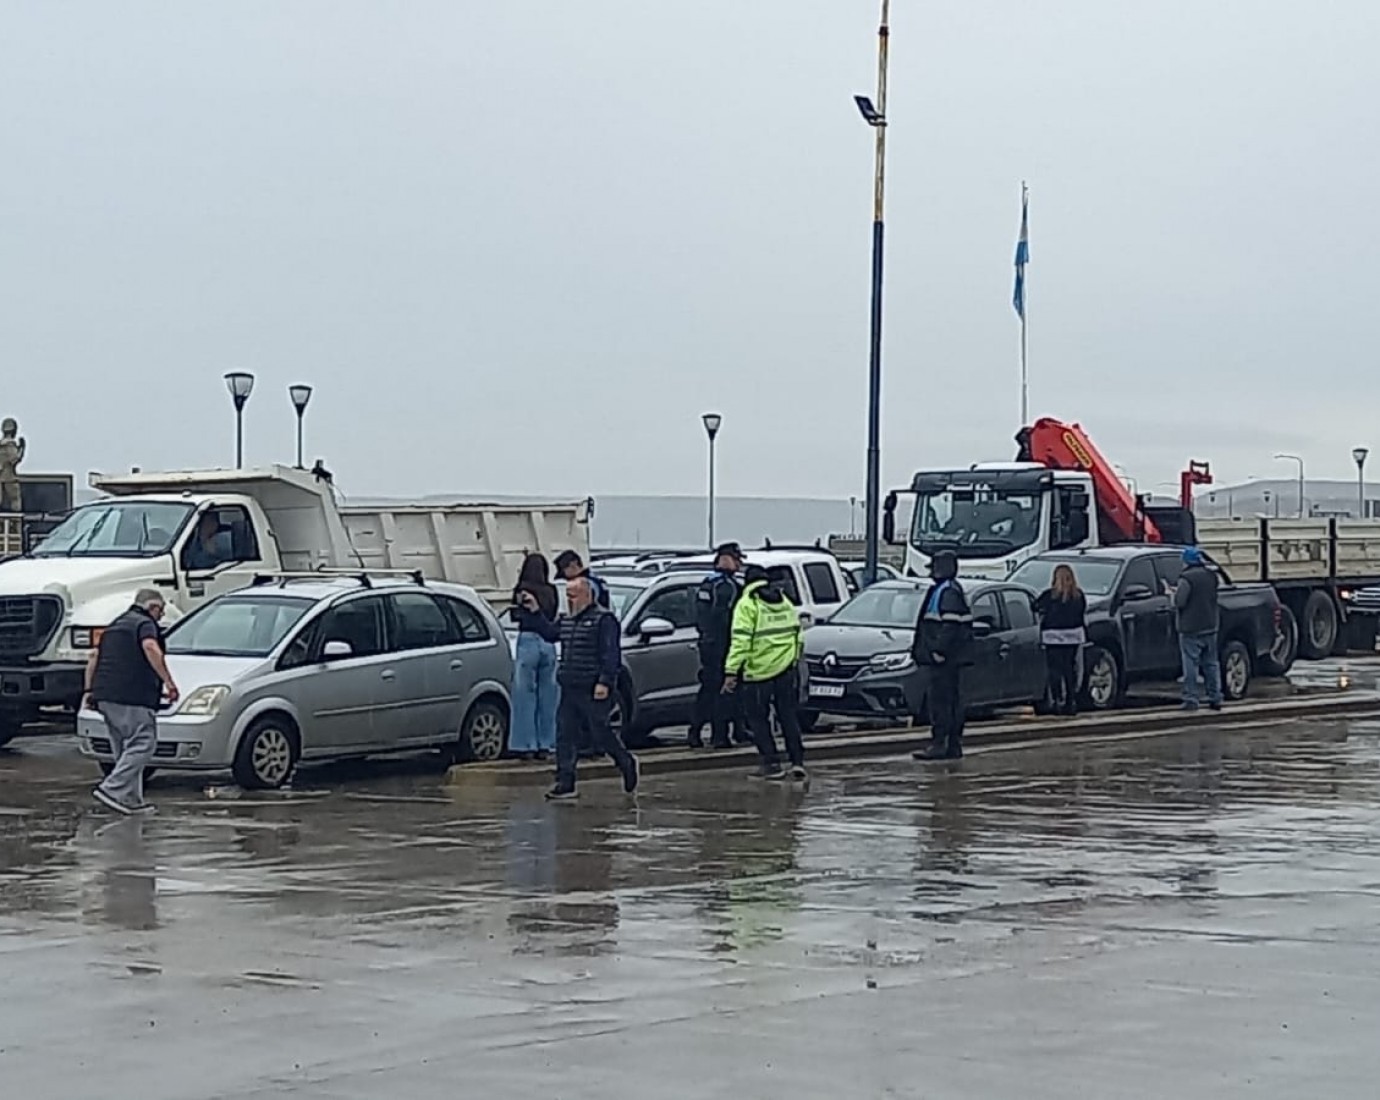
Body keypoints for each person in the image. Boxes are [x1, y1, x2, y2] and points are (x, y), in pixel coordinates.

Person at [517, 575, 639, 800]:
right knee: (565, 735)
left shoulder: (604, 620)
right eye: (567, 596)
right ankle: (566, 782)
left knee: (600, 731)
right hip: (570, 685)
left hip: (592, 687)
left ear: (587, 595)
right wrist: (534, 611)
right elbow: (550, 633)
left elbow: (611, 654)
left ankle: (625, 761)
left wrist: (604, 681)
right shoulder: (568, 621)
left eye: (573, 595)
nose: (570, 600)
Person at [84, 588, 179, 814]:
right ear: (152, 608)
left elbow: (94, 656)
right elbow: (149, 647)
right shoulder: (145, 624)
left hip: (105, 696)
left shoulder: (115, 626)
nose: (162, 616)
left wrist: (88, 690)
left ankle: (131, 800)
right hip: (133, 696)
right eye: (161, 611)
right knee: (143, 743)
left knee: (124, 748)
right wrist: (169, 682)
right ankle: (112, 789)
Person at [725, 564, 807, 783]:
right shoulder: (784, 601)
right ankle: (797, 761)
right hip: (786, 670)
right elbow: (798, 634)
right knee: (788, 715)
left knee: (757, 719)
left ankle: (771, 764)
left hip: (758, 673)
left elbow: (740, 640)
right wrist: (793, 659)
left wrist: (731, 671)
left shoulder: (748, 604)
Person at [910, 550, 973, 761]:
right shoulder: (949, 589)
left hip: (944, 660)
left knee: (941, 703)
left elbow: (951, 625)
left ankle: (941, 744)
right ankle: (951, 745)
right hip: (949, 659)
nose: (931, 573)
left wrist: (938, 650)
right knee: (950, 702)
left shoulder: (947, 592)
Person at [689, 541, 743, 749]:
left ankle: (695, 731)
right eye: (737, 560)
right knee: (724, 690)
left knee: (708, 690)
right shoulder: (726, 586)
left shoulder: (707, 583)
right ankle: (720, 735)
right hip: (722, 645)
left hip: (707, 644)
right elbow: (725, 619)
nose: (739, 565)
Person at [509, 552, 559, 760]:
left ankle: (525, 744)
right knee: (548, 697)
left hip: (528, 641)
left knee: (524, 695)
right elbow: (553, 613)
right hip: (548, 643)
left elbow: (516, 615)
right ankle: (546, 744)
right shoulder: (551, 591)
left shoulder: (522, 590)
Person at [1033, 563, 1087, 715]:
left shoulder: (1050, 595)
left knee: (1055, 669)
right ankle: (1070, 701)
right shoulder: (1078, 595)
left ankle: (1057, 700)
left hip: (1053, 636)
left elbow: (1035, 606)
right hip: (1073, 635)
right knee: (1069, 668)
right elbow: (1082, 611)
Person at [1173, 546, 1222, 711]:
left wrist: (1171, 595)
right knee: (1211, 664)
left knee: (1190, 664)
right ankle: (1215, 697)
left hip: (1190, 627)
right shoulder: (1211, 576)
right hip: (1210, 625)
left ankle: (1191, 699)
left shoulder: (1186, 578)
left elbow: (1180, 602)